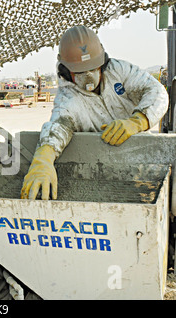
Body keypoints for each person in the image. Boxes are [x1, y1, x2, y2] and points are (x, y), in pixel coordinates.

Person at [21, 25, 169, 201]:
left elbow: (156, 92)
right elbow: (59, 126)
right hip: (100, 166)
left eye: (93, 68)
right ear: (67, 70)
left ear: (103, 62)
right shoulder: (69, 98)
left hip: (139, 158)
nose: (89, 76)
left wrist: (137, 121)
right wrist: (43, 159)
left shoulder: (119, 71)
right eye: (81, 72)